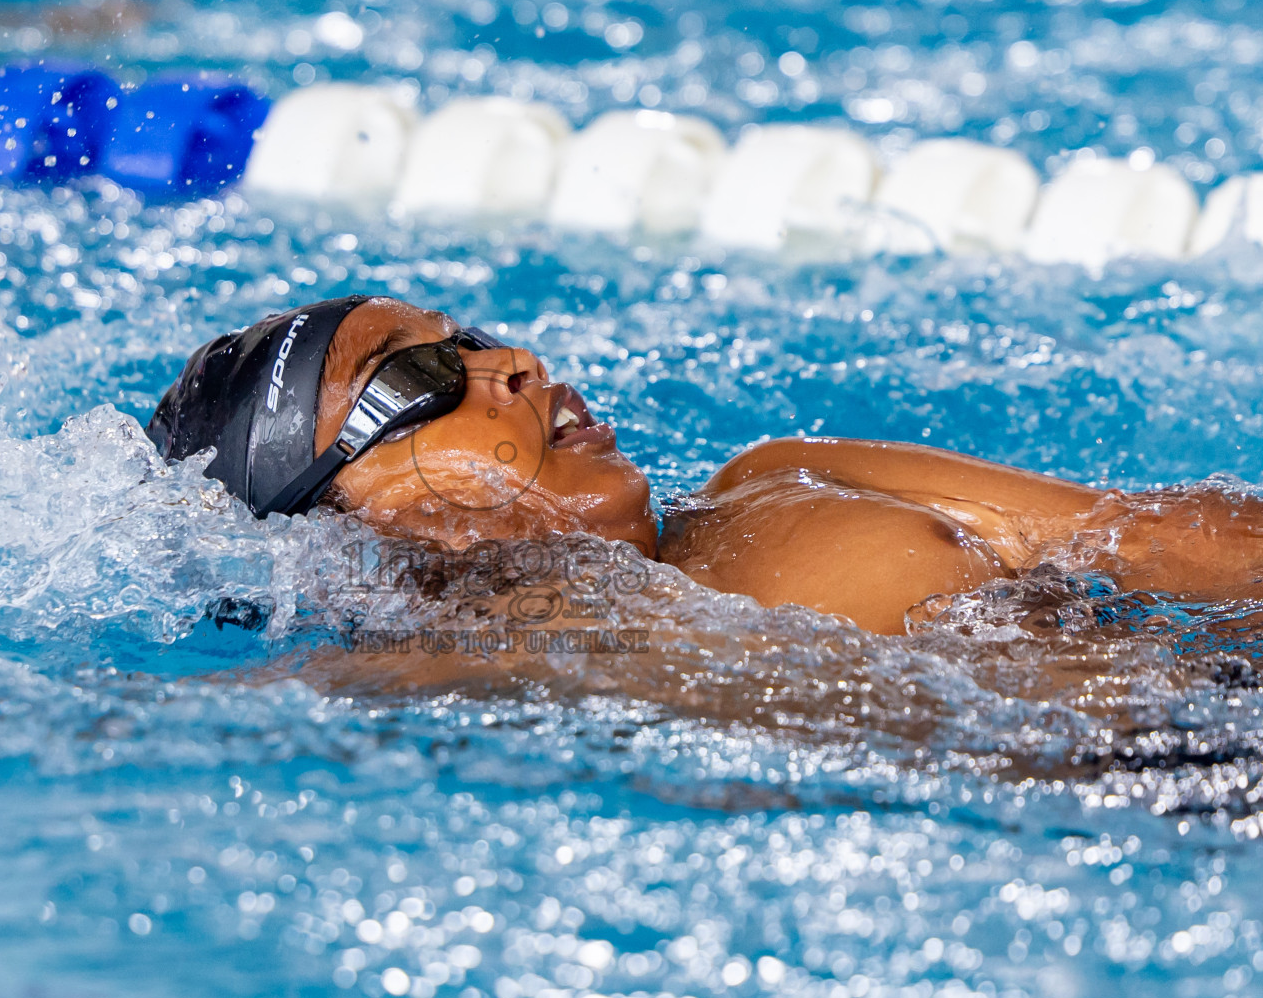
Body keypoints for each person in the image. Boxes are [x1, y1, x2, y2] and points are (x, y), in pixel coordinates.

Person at [148, 295, 1263, 635]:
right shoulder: (467, 683)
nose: (521, 361)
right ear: (349, 512)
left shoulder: (784, 476)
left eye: (477, 340)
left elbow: (1171, 536)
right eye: (424, 375)